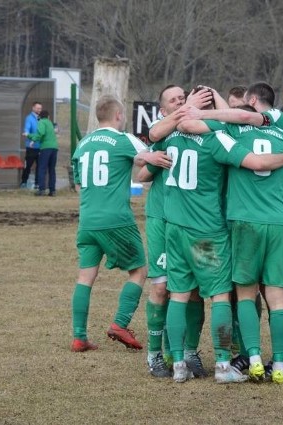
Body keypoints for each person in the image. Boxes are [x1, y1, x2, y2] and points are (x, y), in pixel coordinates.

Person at [139, 91, 283, 384]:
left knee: (180, 293)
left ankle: (179, 366)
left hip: (174, 228)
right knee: (221, 295)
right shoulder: (219, 138)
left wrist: (144, 154)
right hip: (207, 232)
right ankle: (223, 365)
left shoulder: (170, 135)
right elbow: (254, 162)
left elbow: (147, 149)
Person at [178, 104, 283, 384]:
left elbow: (192, 127)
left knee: (246, 294)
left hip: (243, 221)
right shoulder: (281, 133)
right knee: (278, 299)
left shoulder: (232, 131)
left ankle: (253, 358)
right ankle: (279, 364)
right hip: (278, 222)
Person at [69, 94, 172, 353]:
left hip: (88, 220)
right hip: (116, 219)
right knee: (139, 271)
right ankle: (120, 323)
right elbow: (145, 158)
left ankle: (79, 337)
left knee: (85, 278)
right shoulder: (122, 139)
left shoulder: (82, 145)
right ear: (118, 116)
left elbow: (79, 186)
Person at [139, 84, 213, 378]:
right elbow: (141, 170)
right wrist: (148, 158)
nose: (181, 102)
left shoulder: (199, 131)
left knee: (194, 290)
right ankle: (156, 354)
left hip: (194, 223)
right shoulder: (162, 131)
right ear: (163, 109)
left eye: (184, 98)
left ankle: (188, 352)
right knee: (161, 287)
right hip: (161, 218)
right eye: (174, 100)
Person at [25, 110, 58, 196]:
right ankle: (52, 190)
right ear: (48, 116)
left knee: (42, 168)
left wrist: (31, 138)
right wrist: (31, 136)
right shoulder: (50, 123)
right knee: (52, 169)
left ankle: (41, 189)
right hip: (54, 148)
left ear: (40, 117)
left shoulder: (41, 122)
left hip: (46, 148)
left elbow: (41, 133)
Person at [21, 101, 42, 189]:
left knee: (40, 166)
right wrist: (27, 134)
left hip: (41, 147)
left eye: (40, 108)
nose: (39, 110)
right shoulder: (29, 118)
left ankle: (37, 183)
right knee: (28, 165)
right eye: (37, 108)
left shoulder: (41, 119)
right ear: (33, 108)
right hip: (31, 147)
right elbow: (27, 129)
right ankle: (24, 182)